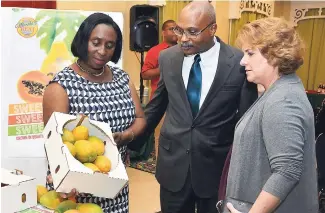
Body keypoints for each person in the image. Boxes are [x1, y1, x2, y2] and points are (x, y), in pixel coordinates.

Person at [144, 2, 257, 213]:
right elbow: (156, 106)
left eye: (192, 32)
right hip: (173, 166)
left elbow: (246, 120)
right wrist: (131, 139)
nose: (183, 38)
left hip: (216, 168)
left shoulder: (238, 63)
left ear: (213, 28)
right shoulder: (168, 58)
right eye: (180, 30)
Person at [42, 12, 146, 213]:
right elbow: (55, 143)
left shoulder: (122, 78)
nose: (102, 51)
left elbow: (140, 118)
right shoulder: (62, 85)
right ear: (83, 40)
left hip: (115, 186)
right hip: (75, 192)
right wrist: (64, 180)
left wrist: (126, 136)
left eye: (110, 45)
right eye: (95, 42)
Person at [225, 17, 318, 213]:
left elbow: (287, 171)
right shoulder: (280, 90)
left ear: (274, 55)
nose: (242, 61)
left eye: (250, 53)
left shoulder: (283, 100)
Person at [141, 19, 178, 99]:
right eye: (171, 29)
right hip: (160, 99)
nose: (175, 31)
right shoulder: (155, 51)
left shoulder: (184, 50)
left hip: (179, 100)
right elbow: (145, 74)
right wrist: (164, 69)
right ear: (163, 33)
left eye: (177, 29)